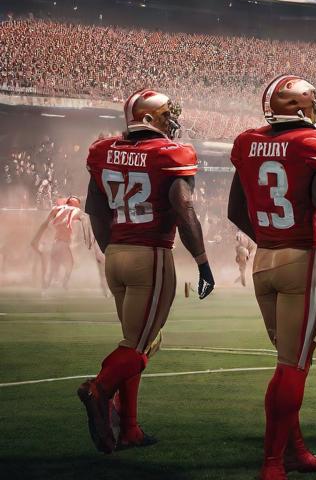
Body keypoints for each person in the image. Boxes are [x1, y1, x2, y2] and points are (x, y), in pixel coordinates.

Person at [228, 75, 316, 480]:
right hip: (301, 258)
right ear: (300, 109)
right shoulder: (313, 145)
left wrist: (269, 239)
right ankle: (272, 464)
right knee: (293, 366)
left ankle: (294, 449)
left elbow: (235, 210)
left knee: (290, 362)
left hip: (264, 260)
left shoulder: (247, 144)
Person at [79, 89, 214, 453]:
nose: (173, 121)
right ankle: (100, 388)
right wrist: (202, 261)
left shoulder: (102, 151)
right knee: (142, 344)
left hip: (116, 254)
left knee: (135, 340)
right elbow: (183, 209)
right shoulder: (171, 154)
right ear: (151, 119)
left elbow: (95, 208)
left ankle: (129, 428)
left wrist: (111, 249)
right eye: (168, 115)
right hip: (150, 254)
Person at [31, 195, 84, 290]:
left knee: (54, 268)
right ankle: (64, 285)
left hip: (56, 243)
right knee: (70, 264)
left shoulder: (57, 210)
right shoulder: (73, 211)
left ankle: (45, 288)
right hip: (62, 243)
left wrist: (36, 239)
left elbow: (44, 224)